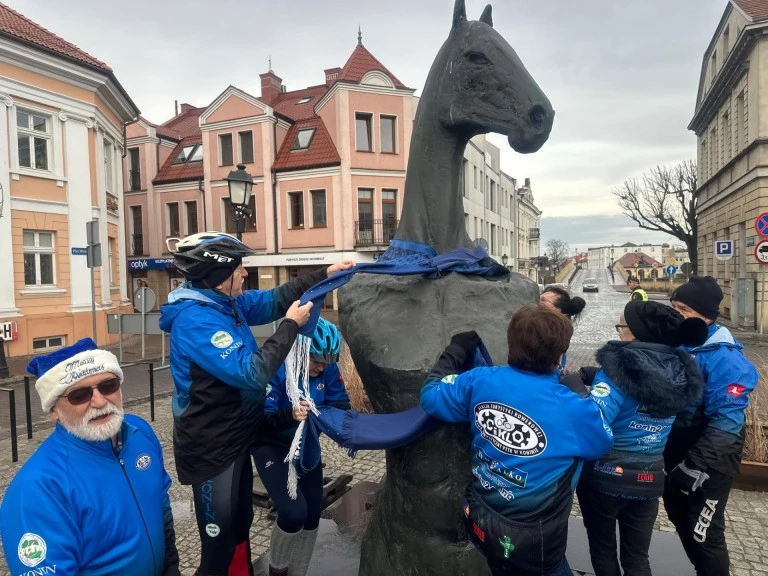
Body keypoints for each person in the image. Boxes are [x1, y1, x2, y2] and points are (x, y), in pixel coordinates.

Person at [159, 231, 354, 576]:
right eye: (238, 267)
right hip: (211, 449)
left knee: (240, 525)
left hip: (238, 438)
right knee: (218, 547)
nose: (244, 273)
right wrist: (291, 325)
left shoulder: (223, 304)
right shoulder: (196, 319)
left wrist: (323, 276)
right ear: (217, 276)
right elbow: (253, 373)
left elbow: (271, 300)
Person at [420, 304, 615, 576]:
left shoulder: (478, 380)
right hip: (537, 542)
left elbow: (430, 396)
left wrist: (455, 351)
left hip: (484, 519)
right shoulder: (572, 407)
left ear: (511, 343)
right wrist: (582, 394)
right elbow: (602, 442)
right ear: (559, 357)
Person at [0, 337, 179, 576]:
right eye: (79, 395)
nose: (99, 401)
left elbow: (161, 505)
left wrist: (171, 567)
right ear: (53, 410)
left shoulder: (139, 432)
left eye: (108, 385)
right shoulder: (37, 489)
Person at [576, 301, 707, 576]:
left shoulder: (616, 371)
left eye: (621, 325)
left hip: (605, 476)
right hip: (649, 478)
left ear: (635, 333)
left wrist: (577, 389)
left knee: (603, 551)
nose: (618, 330)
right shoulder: (682, 373)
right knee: (637, 558)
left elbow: (593, 423)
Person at [664, 276, 758, 576]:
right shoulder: (681, 343)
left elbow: (727, 423)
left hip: (710, 462)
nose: (676, 314)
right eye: (673, 307)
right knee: (679, 521)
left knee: (703, 535)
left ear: (705, 315)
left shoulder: (725, 358)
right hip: (677, 454)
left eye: (682, 308)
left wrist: (695, 466)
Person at [252, 317, 351, 576]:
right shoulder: (276, 367)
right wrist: (290, 414)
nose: (322, 366)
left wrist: (350, 430)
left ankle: (299, 572)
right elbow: (259, 422)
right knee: (293, 513)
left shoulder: (326, 367)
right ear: (300, 350)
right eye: (316, 359)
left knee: (311, 515)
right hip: (271, 445)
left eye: (327, 361)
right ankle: (277, 569)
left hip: (305, 444)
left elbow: (340, 404)